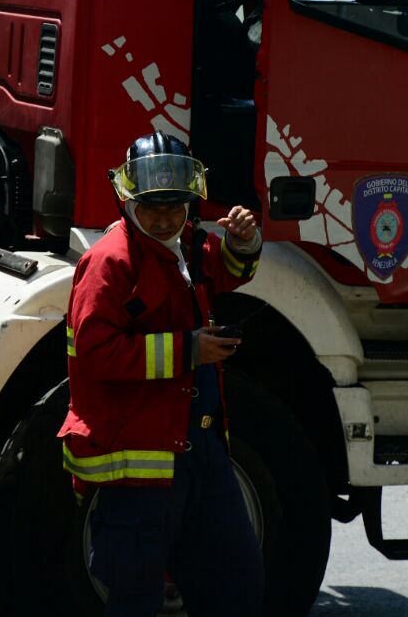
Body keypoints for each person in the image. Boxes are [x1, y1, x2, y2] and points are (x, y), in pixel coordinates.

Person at [58, 130, 264, 617]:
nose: (165, 217)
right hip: (139, 466)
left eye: (176, 207)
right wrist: (187, 351)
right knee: (135, 599)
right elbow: (94, 353)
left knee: (236, 585)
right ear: (128, 201)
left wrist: (244, 239)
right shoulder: (109, 262)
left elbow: (230, 269)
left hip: (203, 453)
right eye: (153, 209)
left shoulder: (187, 245)